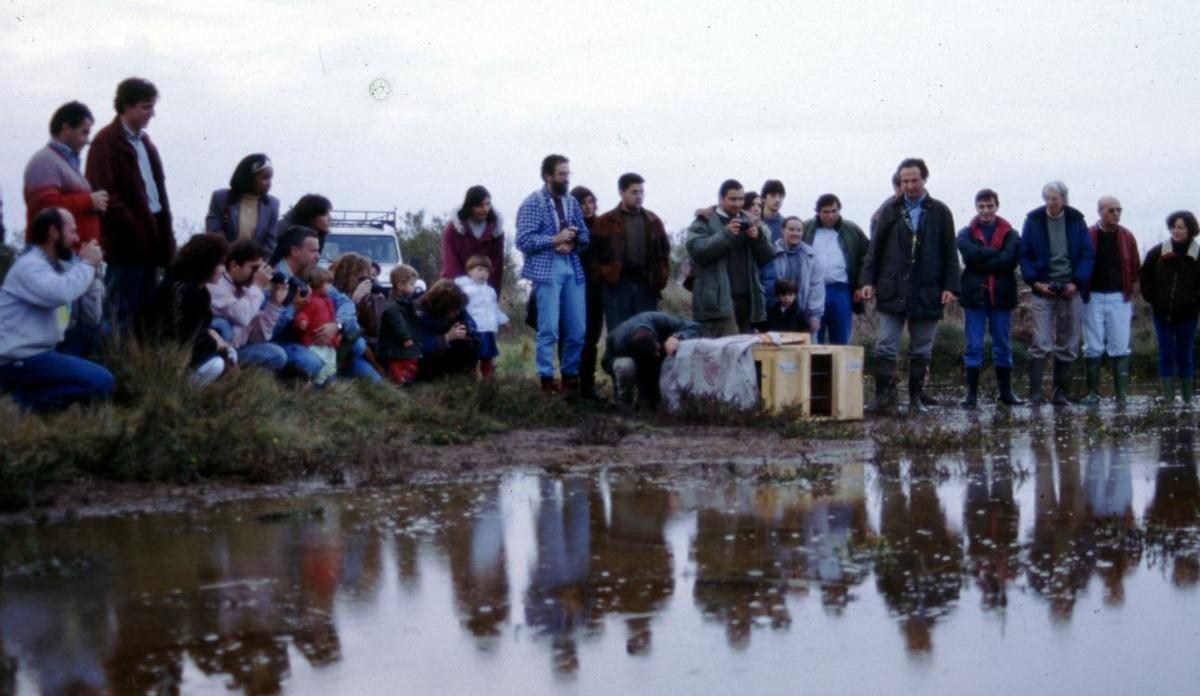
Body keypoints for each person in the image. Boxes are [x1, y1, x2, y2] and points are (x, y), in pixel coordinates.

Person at [860, 158, 960, 415]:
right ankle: (883, 398)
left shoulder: (941, 212)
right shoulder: (889, 210)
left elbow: (950, 252)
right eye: (905, 181)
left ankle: (916, 399)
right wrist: (868, 281)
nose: (910, 186)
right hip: (892, 288)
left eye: (914, 180)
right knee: (886, 344)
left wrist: (950, 286)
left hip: (927, 290)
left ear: (924, 179)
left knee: (921, 347)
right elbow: (875, 249)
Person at [0, 208, 113, 411]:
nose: (76, 238)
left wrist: (93, 277)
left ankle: (27, 396)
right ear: (54, 232)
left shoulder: (58, 269)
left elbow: (91, 320)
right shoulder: (29, 265)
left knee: (97, 369)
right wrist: (87, 265)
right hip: (18, 360)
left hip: (44, 352)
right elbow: (59, 293)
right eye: (72, 231)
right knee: (101, 381)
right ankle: (20, 403)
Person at [86, 77, 175, 329]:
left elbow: (157, 193)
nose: (151, 114)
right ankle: (111, 354)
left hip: (151, 240)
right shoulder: (105, 142)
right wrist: (135, 228)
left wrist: (162, 237)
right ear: (126, 106)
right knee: (120, 315)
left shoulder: (145, 143)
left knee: (146, 316)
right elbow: (104, 194)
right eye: (146, 107)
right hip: (125, 245)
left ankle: (138, 356)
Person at [515, 154, 590, 394]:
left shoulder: (571, 202)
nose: (566, 178)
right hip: (547, 269)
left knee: (578, 330)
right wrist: (554, 239)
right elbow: (523, 240)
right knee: (548, 329)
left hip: (572, 266)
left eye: (568, 174)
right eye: (561, 174)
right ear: (548, 176)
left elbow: (585, 235)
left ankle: (570, 378)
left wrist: (573, 243)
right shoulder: (533, 202)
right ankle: (546, 380)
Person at [1019, 181, 1095, 406]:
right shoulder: (1033, 221)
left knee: (1068, 343)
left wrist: (1077, 282)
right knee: (1040, 342)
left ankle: (1060, 394)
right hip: (1043, 289)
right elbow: (1025, 255)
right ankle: (1034, 395)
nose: (1051, 203)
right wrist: (1035, 282)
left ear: (1064, 199)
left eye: (1055, 198)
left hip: (1071, 288)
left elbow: (1087, 254)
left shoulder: (1076, 220)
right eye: (1047, 198)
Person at [956, 189, 1022, 408]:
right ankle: (971, 394)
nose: (985, 210)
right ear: (976, 207)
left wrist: (981, 260)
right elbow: (969, 256)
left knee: (1002, 344)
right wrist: (996, 254)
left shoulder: (1011, 233)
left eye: (990, 206)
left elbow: (1009, 260)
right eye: (981, 206)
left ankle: (1006, 393)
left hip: (1001, 297)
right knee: (973, 345)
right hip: (975, 297)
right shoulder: (965, 233)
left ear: (996, 206)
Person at [686, 179, 775, 336]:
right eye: (733, 199)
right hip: (718, 301)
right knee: (729, 346)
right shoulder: (704, 221)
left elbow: (768, 257)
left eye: (741, 199)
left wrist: (758, 238)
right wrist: (726, 234)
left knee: (745, 348)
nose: (738, 204)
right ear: (721, 199)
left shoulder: (751, 221)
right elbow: (697, 251)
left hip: (747, 299)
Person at [589, 173, 671, 331]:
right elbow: (593, 255)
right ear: (621, 193)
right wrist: (603, 277)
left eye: (641, 192)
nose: (639, 196)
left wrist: (661, 276)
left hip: (646, 284)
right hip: (617, 285)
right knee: (619, 333)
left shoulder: (653, 221)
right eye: (634, 192)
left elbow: (664, 252)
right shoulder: (605, 222)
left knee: (646, 332)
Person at [148, 233, 231, 386]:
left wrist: (213, 335)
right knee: (217, 364)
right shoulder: (183, 291)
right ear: (206, 262)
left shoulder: (200, 290)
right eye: (220, 263)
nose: (224, 270)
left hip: (188, 350)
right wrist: (216, 344)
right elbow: (186, 337)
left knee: (228, 350)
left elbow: (200, 328)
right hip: (170, 357)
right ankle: (181, 389)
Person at [1080, 196, 1140, 406]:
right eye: (1111, 210)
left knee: (1120, 345)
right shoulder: (1087, 235)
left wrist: (1127, 287)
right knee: (1092, 345)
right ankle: (1093, 393)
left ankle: (1121, 395)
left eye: (1118, 210)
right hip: (1092, 297)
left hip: (1119, 297)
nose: (1116, 214)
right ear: (1100, 212)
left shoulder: (1127, 236)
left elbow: (1134, 265)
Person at [23, 101, 107, 247]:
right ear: (66, 128)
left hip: (72, 256)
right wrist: (89, 201)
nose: (88, 141)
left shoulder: (63, 162)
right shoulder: (45, 161)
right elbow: (45, 206)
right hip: (56, 256)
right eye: (84, 132)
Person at [1139, 211, 1200, 404]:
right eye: (1173, 226)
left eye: (1181, 227)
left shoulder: (1198, 255)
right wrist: (1155, 299)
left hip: (1188, 315)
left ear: (1190, 230)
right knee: (1166, 354)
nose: (1176, 231)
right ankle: (1169, 401)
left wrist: (1194, 303)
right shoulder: (1157, 252)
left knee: (1185, 355)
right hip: (1162, 314)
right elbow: (1145, 277)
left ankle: (1188, 401)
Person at [207, 240, 288, 372]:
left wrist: (274, 304)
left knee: (278, 354)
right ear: (234, 265)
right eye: (254, 268)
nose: (258, 274)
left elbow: (260, 337)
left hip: (237, 349)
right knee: (222, 324)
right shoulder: (216, 284)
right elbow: (241, 318)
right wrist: (257, 287)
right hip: (216, 348)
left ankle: (235, 372)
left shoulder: (248, 289)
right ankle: (219, 368)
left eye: (260, 269)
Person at [802, 194, 870, 345]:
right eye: (826, 212)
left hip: (840, 289)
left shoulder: (851, 230)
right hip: (813, 289)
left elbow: (866, 257)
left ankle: (841, 361)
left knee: (841, 339)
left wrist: (860, 284)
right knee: (814, 338)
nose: (830, 216)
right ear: (818, 212)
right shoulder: (806, 228)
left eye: (834, 211)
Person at [602, 311, 700, 409]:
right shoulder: (618, 341)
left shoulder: (659, 320)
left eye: (657, 349)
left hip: (661, 357)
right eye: (654, 353)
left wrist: (677, 337)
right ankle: (625, 405)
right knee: (626, 366)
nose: (657, 354)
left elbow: (694, 327)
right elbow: (606, 363)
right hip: (628, 360)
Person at [205, 154, 281, 254]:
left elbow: (270, 241)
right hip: (223, 257)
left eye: (270, 178)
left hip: (254, 261)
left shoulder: (272, 204)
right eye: (264, 178)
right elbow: (213, 232)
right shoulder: (221, 198)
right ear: (249, 177)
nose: (269, 183)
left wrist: (254, 260)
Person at [761, 216, 824, 333]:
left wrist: (814, 316)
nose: (795, 233)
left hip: (803, 316)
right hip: (776, 315)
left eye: (799, 230)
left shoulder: (811, 255)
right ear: (783, 230)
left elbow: (816, 286)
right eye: (791, 229)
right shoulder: (770, 252)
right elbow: (764, 283)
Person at [441, 185, 505, 294]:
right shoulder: (453, 230)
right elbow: (450, 266)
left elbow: (496, 268)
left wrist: (492, 294)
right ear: (470, 206)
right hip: (458, 289)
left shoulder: (496, 232)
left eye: (488, 204)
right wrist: (456, 294)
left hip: (485, 288)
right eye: (479, 206)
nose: (485, 209)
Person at [572, 185, 604, 399]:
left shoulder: (602, 228)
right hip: (573, 288)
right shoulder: (570, 229)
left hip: (595, 291)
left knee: (591, 339)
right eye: (582, 203)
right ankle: (571, 385)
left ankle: (588, 387)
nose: (588, 207)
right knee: (573, 338)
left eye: (591, 202)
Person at [416, 279, 481, 380]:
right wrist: (446, 338)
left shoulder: (457, 305)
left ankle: (463, 377)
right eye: (454, 311)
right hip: (428, 357)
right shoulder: (419, 312)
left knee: (471, 343)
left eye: (459, 310)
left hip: (450, 352)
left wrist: (467, 331)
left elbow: (473, 328)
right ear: (443, 307)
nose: (457, 314)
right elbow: (418, 345)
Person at [455, 255, 509, 378]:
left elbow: (494, 308)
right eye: (480, 269)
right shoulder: (464, 290)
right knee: (471, 355)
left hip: (488, 329)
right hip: (473, 330)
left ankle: (488, 379)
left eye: (486, 271)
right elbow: (460, 309)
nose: (484, 273)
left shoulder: (490, 291)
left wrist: (504, 320)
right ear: (469, 271)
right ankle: (469, 377)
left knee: (487, 355)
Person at [294, 267, 340, 385]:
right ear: (317, 284)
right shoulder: (310, 300)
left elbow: (332, 318)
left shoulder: (328, 300)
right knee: (320, 365)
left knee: (330, 365)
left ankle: (329, 385)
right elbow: (303, 313)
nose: (330, 286)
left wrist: (336, 335)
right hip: (313, 341)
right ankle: (318, 386)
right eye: (327, 283)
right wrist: (301, 321)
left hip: (327, 344)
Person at [378, 264, 422, 385]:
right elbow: (397, 322)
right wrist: (405, 337)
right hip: (396, 347)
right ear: (400, 285)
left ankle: (407, 380)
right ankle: (400, 382)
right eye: (412, 284)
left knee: (409, 363)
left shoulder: (406, 302)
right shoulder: (393, 305)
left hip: (402, 347)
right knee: (399, 367)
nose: (414, 288)